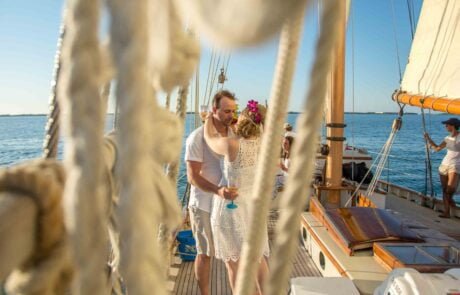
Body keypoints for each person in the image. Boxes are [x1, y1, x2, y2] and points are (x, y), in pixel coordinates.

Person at [203, 99, 269, 295]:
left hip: (232, 209)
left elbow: (209, 139)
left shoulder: (231, 144)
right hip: (253, 208)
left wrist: (207, 118)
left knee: (235, 266)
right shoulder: (264, 144)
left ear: (244, 118)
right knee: (258, 261)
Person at [184, 90, 238, 295]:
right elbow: (192, 177)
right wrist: (218, 190)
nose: (230, 115)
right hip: (204, 205)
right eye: (226, 111)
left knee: (231, 254)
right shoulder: (196, 138)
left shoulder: (233, 134)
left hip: (228, 206)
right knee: (205, 253)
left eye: (233, 111)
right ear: (214, 110)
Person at [424, 117, 460, 218]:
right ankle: (446, 212)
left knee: (450, 189)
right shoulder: (447, 138)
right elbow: (437, 148)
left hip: (456, 165)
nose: (445, 126)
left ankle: (451, 199)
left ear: (453, 126)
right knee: (444, 189)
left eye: (447, 125)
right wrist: (428, 139)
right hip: (444, 165)